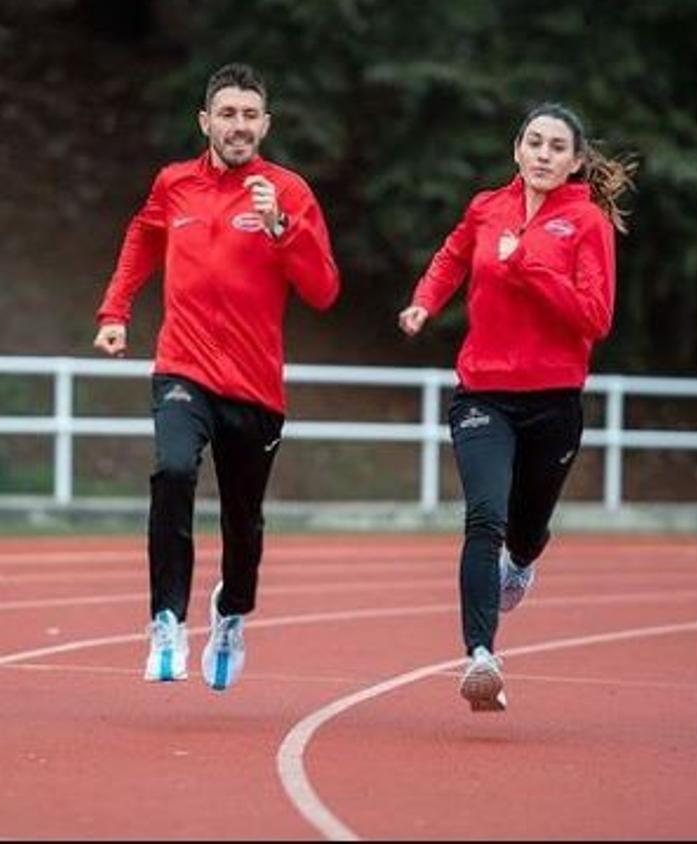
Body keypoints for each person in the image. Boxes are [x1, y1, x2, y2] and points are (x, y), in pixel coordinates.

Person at [93, 62, 340, 691]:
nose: (238, 125)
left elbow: (323, 291)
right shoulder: (173, 183)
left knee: (243, 521)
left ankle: (230, 615)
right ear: (205, 121)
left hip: (255, 386)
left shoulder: (289, 191)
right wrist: (115, 311)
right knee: (173, 470)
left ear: (266, 124)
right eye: (227, 114)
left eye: (249, 115)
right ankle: (167, 620)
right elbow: (142, 238)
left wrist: (282, 228)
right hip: (184, 366)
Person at [397, 102, 636, 713]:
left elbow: (595, 317)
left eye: (557, 147)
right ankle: (480, 655)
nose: (543, 154)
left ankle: (522, 562)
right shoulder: (487, 208)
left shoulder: (586, 223)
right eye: (534, 142)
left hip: (554, 402)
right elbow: (453, 257)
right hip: (483, 393)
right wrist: (425, 301)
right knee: (484, 516)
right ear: (517, 150)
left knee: (525, 530)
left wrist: (527, 266)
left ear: (575, 162)